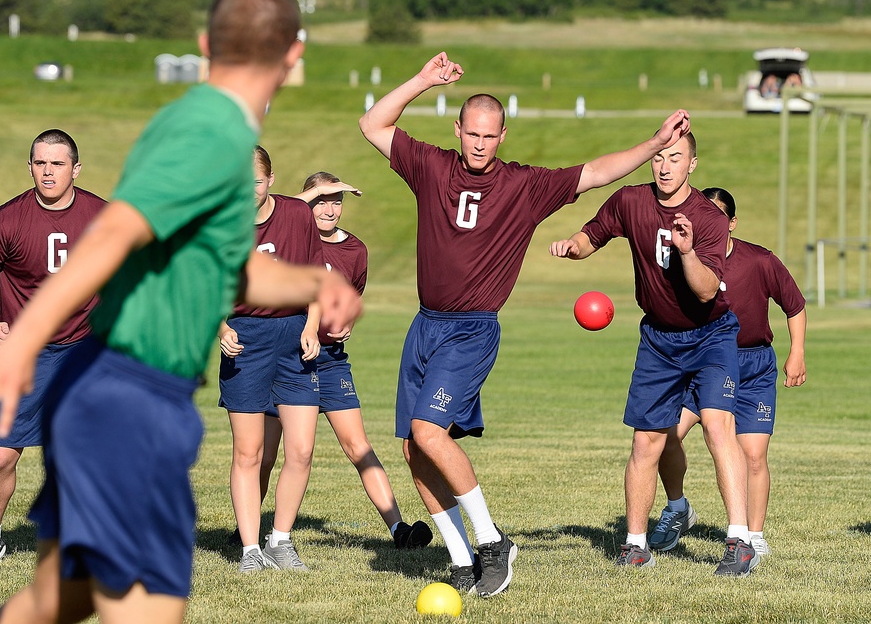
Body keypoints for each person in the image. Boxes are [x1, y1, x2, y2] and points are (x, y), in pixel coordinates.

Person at [0, 0, 360, 624]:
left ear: (204, 46)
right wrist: (24, 341)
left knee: (62, 597)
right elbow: (115, 232)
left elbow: (225, 276)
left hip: (119, 393)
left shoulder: (206, 131)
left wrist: (314, 284)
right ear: (296, 56)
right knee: (145, 611)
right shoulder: (209, 133)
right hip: (126, 396)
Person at [358, 50, 694, 597]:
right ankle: (463, 560)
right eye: (472, 134)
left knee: (428, 432)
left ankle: (493, 542)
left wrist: (655, 145)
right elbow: (373, 124)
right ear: (459, 129)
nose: (480, 144)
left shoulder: (523, 186)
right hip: (424, 327)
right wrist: (423, 79)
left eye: (490, 136)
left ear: (503, 135)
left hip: (471, 330)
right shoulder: (431, 165)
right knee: (414, 451)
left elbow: (597, 171)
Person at [550, 132, 760, 577]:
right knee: (647, 441)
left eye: (676, 158)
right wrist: (574, 247)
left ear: (693, 164)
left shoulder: (708, 218)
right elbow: (595, 232)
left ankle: (739, 540)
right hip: (659, 340)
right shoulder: (631, 201)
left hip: (711, 336)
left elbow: (705, 291)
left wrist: (686, 252)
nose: (665, 167)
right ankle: (635, 544)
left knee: (718, 428)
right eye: (659, 157)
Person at [263, 170, 433, 551]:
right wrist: (313, 194)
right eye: (321, 199)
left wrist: (345, 325)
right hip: (287, 358)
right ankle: (250, 536)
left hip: (331, 361)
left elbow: (350, 300)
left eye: (336, 200)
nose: (329, 208)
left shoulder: (356, 250)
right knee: (269, 452)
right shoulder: (288, 238)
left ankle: (398, 529)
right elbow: (275, 214)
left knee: (359, 446)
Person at [0, 129, 107, 566]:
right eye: (40, 163)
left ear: (75, 169)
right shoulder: (6, 220)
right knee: (2, 455)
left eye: (57, 163)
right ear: (29, 167)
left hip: (85, 349)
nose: (48, 171)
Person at [652, 187, 807, 557]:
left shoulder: (759, 261)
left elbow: (795, 305)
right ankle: (677, 508)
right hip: (703, 361)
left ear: (732, 223)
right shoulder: (681, 261)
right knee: (663, 435)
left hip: (752, 365)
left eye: (719, 218)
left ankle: (752, 536)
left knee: (753, 454)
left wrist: (797, 352)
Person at [217, 145, 328, 574]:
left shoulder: (299, 216)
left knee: (300, 450)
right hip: (247, 338)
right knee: (249, 452)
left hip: (294, 336)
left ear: (271, 179)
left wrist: (311, 325)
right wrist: (221, 329)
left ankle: (280, 541)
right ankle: (249, 550)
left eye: (257, 182)